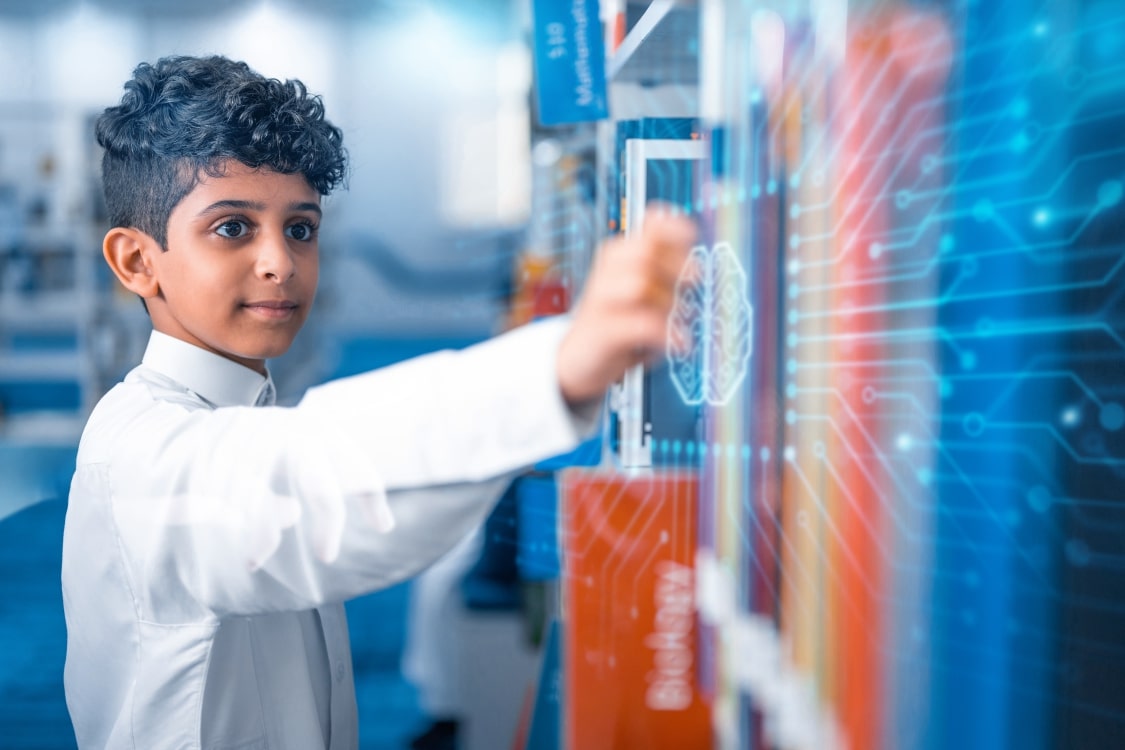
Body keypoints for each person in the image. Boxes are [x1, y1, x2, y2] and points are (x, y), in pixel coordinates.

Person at [60, 55, 695, 750]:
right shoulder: (139, 454)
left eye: (300, 228)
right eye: (232, 228)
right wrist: (561, 366)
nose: (279, 261)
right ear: (135, 262)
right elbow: (301, 484)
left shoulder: (245, 412)